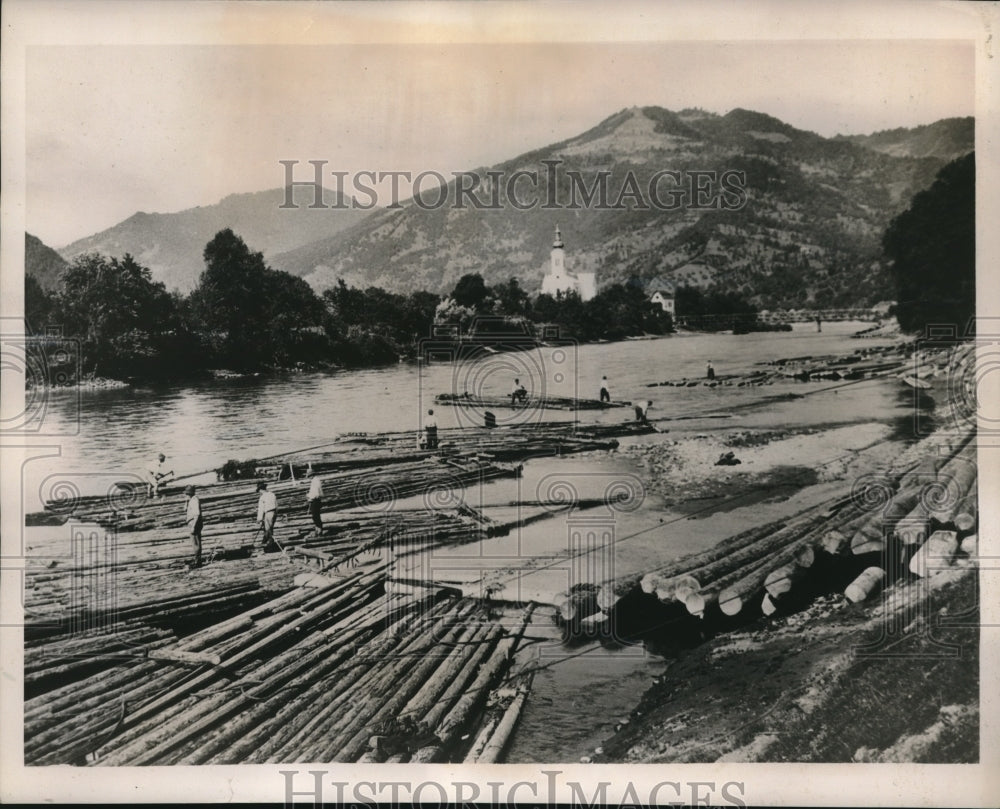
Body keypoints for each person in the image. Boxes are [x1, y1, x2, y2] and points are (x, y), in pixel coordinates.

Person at [256, 481, 278, 553]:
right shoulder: (272, 494)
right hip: (274, 512)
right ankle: (267, 544)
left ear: (261, 489)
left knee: (268, 530)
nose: (259, 492)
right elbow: (276, 505)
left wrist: (259, 519)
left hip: (268, 513)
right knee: (270, 529)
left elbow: (261, 509)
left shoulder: (262, 497)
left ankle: (269, 546)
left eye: (259, 491)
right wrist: (276, 514)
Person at [184, 485, 203, 567]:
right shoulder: (191, 500)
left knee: (196, 542)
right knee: (194, 542)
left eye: (186, 494)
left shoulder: (194, 500)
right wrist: (186, 501)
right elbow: (184, 509)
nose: (185, 495)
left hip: (194, 522)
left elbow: (197, 514)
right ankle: (197, 559)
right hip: (192, 522)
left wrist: (193, 526)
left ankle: (197, 561)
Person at [306, 470, 323, 536]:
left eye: (309, 476)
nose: (308, 478)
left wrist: (309, 496)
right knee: (316, 516)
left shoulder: (315, 481)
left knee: (315, 516)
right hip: (316, 500)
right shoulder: (315, 480)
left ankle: (319, 530)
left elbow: (315, 493)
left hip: (315, 500)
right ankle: (318, 529)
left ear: (311, 475)